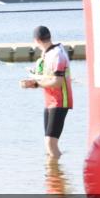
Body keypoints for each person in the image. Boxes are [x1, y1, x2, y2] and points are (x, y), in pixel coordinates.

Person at [19, 25, 73, 159]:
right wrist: (31, 81)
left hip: (61, 101)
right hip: (50, 101)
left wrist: (36, 84)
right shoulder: (46, 54)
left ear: (36, 40)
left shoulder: (57, 54)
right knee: (48, 143)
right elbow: (46, 77)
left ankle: (57, 176)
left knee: (50, 142)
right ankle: (52, 174)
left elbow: (58, 81)